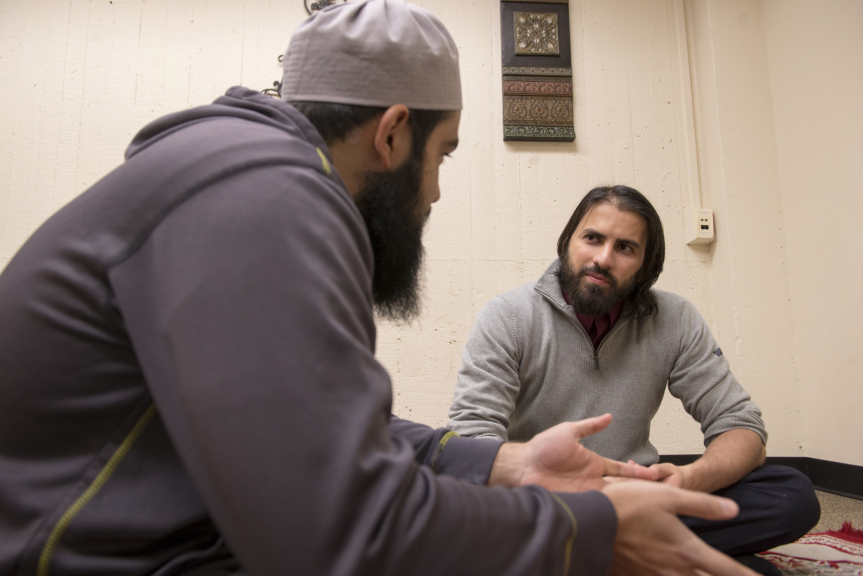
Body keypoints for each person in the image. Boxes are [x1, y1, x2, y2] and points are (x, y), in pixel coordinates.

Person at [0, 3, 761, 575]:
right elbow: (341, 533)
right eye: (443, 155)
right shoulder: (265, 194)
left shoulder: (246, 176)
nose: (432, 192)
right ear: (393, 132)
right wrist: (587, 530)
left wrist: (503, 466)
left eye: (626, 246)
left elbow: (313, 431)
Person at [448, 184, 821, 575]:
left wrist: (689, 480)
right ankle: (644, 558)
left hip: (640, 496)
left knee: (791, 494)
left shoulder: (676, 319)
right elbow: (473, 438)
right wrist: (555, 496)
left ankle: (599, 557)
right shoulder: (507, 315)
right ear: (568, 242)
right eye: (592, 238)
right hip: (544, 502)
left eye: (625, 248)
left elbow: (740, 425)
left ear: (647, 265)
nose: (603, 258)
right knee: (462, 514)